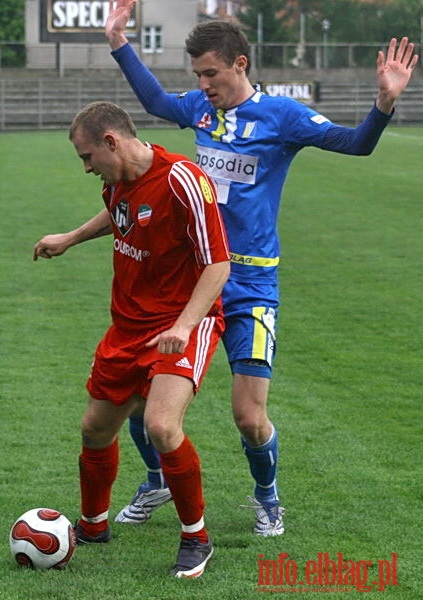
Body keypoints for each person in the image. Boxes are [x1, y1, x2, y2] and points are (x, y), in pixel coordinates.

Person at [105, 0, 418, 537]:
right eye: (198, 74)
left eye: (212, 73)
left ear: (241, 64)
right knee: (138, 395)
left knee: (249, 417)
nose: (203, 84)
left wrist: (383, 105)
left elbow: (356, 145)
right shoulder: (202, 111)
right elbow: (155, 100)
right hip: (194, 281)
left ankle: (267, 496)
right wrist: (118, 41)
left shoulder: (282, 116)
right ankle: (155, 479)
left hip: (250, 284)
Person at [33, 101, 230, 578]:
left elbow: (218, 264)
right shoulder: (117, 180)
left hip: (182, 322)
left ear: (110, 142)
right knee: (95, 429)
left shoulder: (183, 180)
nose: (85, 168)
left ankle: (196, 538)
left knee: (162, 427)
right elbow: (118, 214)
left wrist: (184, 325)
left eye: (86, 156)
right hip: (128, 326)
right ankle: (93, 525)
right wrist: (71, 237)